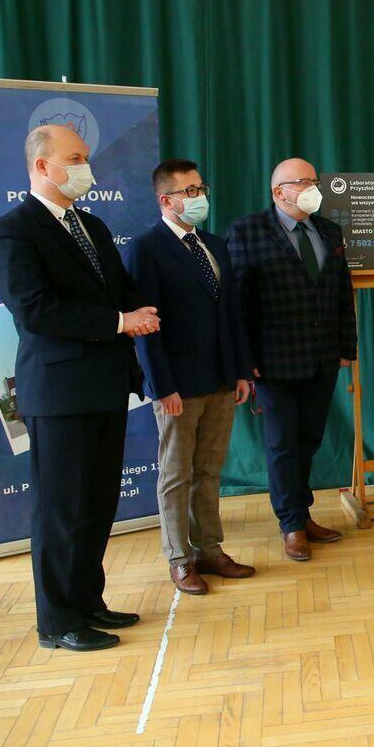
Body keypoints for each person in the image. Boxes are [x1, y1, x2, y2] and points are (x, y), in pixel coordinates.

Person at [0, 124, 160, 651]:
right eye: (76, 157)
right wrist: (120, 322)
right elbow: (35, 309)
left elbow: (120, 290)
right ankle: (57, 622)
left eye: (86, 157)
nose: (87, 167)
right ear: (43, 166)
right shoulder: (11, 231)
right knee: (61, 511)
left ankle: (87, 602)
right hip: (59, 393)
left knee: (97, 503)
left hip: (106, 387)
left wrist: (145, 309)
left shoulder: (92, 225)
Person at [127, 159, 257, 596]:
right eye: (189, 191)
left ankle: (210, 549)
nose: (199, 197)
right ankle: (179, 558)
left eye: (201, 188)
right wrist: (162, 387)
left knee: (209, 470)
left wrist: (241, 370)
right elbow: (147, 326)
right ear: (166, 200)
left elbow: (232, 314)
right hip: (178, 386)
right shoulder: (146, 249)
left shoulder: (214, 244)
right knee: (176, 474)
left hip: (221, 378)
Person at [227, 159, 356, 562]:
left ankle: (303, 512)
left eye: (314, 181)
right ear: (278, 191)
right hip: (273, 362)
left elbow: (342, 293)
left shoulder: (329, 231)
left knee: (309, 440)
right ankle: (291, 525)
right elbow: (236, 304)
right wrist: (244, 361)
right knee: (282, 444)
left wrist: (347, 349)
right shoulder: (247, 231)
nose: (312, 187)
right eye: (302, 181)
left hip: (322, 358)